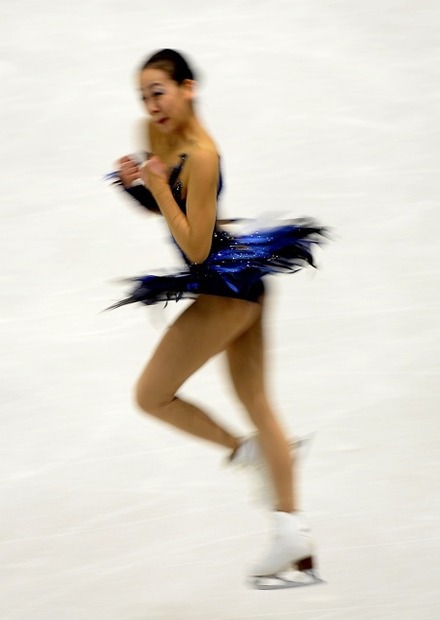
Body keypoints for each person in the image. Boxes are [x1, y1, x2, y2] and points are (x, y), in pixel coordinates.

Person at [109, 48, 326, 589]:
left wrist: (156, 186)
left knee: (150, 395)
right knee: (256, 400)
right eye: (143, 95)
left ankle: (244, 453)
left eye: (159, 91)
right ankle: (292, 532)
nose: (150, 105)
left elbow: (198, 248)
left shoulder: (204, 154)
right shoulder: (156, 132)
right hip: (237, 278)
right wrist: (140, 187)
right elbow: (168, 208)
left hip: (225, 286)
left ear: (188, 88)